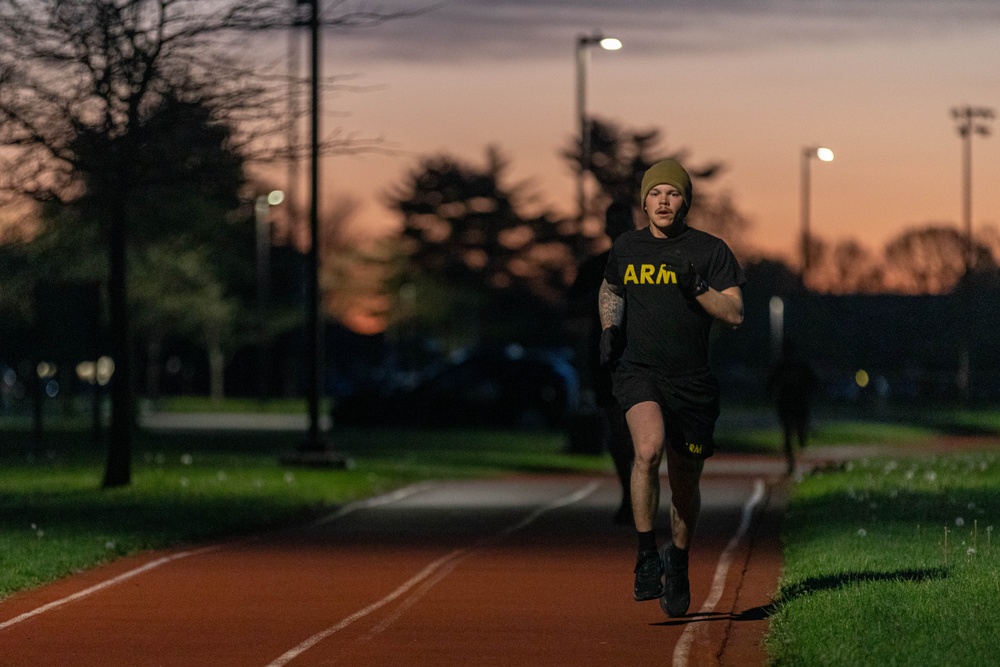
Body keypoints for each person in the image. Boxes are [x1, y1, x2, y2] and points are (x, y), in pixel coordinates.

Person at [598, 158, 745, 617]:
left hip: (692, 382)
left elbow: (735, 313)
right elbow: (611, 289)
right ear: (644, 202)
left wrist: (697, 284)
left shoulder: (710, 250)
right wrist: (609, 328)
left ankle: (677, 559)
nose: (663, 201)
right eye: (655, 194)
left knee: (684, 485)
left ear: (685, 201)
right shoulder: (627, 247)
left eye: (673, 193)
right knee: (648, 448)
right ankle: (646, 555)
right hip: (639, 370)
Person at [567, 199, 638, 525]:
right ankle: (629, 497)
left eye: (627, 222)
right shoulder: (595, 268)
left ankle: (640, 496)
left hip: (645, 357)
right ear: (608, 229)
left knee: (644, 431)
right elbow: (572, 310)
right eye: (616, 223)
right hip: (608, 358)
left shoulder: (651, 263)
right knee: (618, 432)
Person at [766, 339, 818, 475]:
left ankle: (792, 458)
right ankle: (793, 457)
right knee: (792, 431)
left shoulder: (784, 365)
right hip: (796, 402)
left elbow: (770, 384)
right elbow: (813, 382)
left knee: (788, 433)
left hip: (790, 402)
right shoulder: (798, 365)